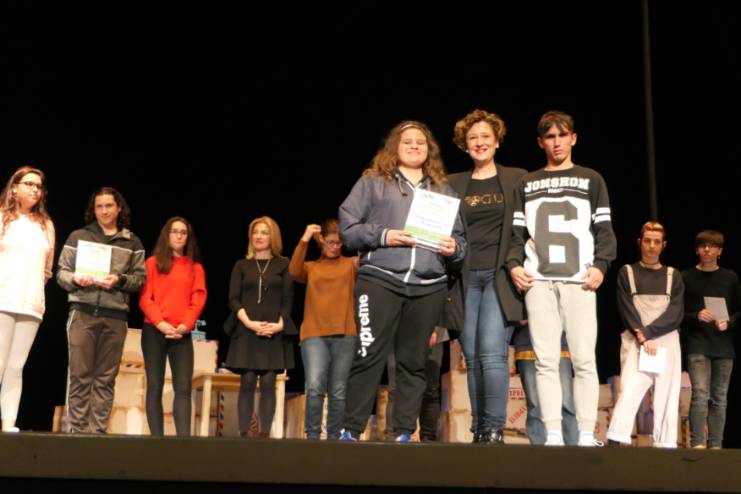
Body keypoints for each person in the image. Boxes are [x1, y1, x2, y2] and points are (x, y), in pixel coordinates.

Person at [338, 120, 466, 442]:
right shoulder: (372, 183)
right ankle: (351, 430)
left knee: (413, 363)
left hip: (428, 286)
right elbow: (348, 230)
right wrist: (384, 236)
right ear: (395, 146)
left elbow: (461, 243)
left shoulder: (443, 191)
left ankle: (404, 433)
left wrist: (454, 248)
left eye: (420, 142)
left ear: (429, 150)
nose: (414, 146)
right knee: (368, 355)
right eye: (407, 141)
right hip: (379, 280)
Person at [506, 111, 617, 446]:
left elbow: (605, 230)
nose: (557, 142)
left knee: (584, 359)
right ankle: (552, 433)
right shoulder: (526, 183)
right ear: (540, 142)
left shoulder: (591, 179)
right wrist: (514, 264)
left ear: (574, 138)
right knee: (546, 361)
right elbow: (515, 234)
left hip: (579, 278)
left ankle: (585, 432)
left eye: (562, 135)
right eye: (550, 137)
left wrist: (601, 265)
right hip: (539, 280)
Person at [447, 109, 527, 444]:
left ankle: (494, 428)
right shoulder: (452, 183)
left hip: (499, 276)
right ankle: (479, 428)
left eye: (485, 136)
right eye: (473, 138)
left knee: (493, 352)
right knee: (473, 356)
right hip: (464, 279)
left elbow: (525, 231)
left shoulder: (517, 179)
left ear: (497, 141)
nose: (479, 142)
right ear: (464, 145)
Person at [57, 187, 146, 433]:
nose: (104, 211)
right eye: (99, 206)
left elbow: (140, 279)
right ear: (93, 210)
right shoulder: (79, 236)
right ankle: (77, 433)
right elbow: (61, 273)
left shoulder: (132, 242)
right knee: (80, 376)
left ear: (119, 208)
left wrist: (119, 280)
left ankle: (97, 434)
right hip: (82, 313)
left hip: (115, 316)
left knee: (105, 379)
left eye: (109, 206)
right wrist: (76, 278)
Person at [607, 221, 684, 448]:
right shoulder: (627, 272)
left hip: (665, 338)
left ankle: (665, 444)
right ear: (640, 243)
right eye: (648, 241)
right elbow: (626, 308)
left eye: (656, 242)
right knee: (631, 387)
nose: (651, 246)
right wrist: (643, 336)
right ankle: (616, 438)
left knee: (667, 393)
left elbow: (676, 312)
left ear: (663, 245)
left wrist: (649, 333)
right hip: (636, 338)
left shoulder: (673, 275)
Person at [225, 216, 296, 438]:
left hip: (273, 331)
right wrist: (248, 323)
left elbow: (288, 298)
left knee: (268, 381)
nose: (259, 236)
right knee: (247, 380)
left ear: (272, 237)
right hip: (246, 329)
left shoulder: (283, 264)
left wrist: (279, 325)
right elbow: (233, 299)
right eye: (255, 232)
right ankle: (244, 434)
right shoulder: (241, 265)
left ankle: (264, 435)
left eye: (264, 232)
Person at [288, 219, 357, 440]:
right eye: (330, 242)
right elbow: (293, 271)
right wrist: (305, 238)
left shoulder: (351, 264)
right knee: (315, 387)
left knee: (338, 390)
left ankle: (334, 438)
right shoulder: (311, 267)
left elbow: (371, 258)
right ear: (322, 241)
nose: (335, 247)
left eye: (339, 243)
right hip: (314, 335)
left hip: (345, 334)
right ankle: (313, 437)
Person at [139, 217, 207, 436]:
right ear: (166, 235)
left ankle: (183, 442)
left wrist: (186, 325)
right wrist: (160, 323)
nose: (179, 236)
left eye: (183, 232)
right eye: (174, 231)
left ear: (188, 238)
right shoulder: (152, 263)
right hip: (154, 331)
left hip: (181, 333)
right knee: (155, 386)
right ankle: (157, 441)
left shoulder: (195, 268)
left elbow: (198, 298)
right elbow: (145, 298)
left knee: (183, 388)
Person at [0, 166, 54, 433]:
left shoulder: (46, 225)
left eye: (38, 186)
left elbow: (47, 269)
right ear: (14, 188)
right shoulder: (2, 218)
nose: (35, 189)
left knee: (15, 366)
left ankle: (8, 424)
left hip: (31, 303)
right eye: (29, 184)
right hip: (3, 298)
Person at [682, 230, 741, 449]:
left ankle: (716, 445)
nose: (707, 249)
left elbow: (739, 311)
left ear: (720, 251)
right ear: (697, 250)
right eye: (703, 245)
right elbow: (677, 314)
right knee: (700, 394)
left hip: (723, 346)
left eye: (712, 245)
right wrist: (696, 316)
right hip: (698, 343)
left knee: (720, 398)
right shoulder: (685, 277)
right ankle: (698, 443)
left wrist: (729, 323)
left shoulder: (730, 278)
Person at [512, 325, 578, 445]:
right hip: (527, 343)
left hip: (558, 342)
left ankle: (572, 448)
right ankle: (540, 450)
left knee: (566, 402)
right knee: (535, 404)